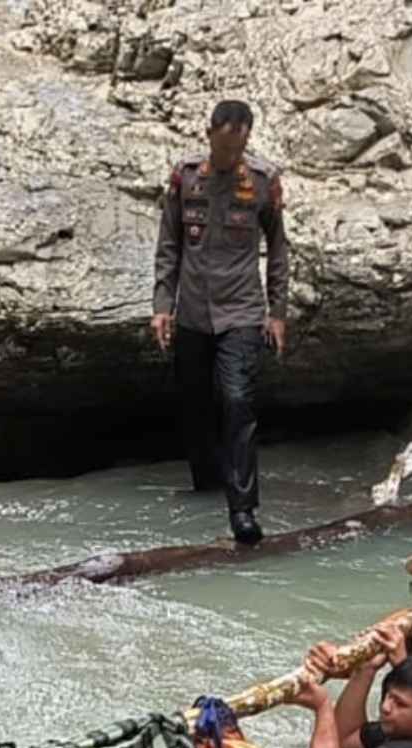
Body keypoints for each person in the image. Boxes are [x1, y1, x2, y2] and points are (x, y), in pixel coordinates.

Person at [149, 98, 290, 546]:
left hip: (242, 312)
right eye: (225, 147)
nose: (231, 157)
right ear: (210, 135)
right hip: (192, 311)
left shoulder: (264, 183)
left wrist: (278, 312)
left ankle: (243, 510)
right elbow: (169, 244)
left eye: (239, 147)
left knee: (238, 401)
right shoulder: (186, 177)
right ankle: (205, 483)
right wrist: (161, 304)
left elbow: (279, 250)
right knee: (194, 403)